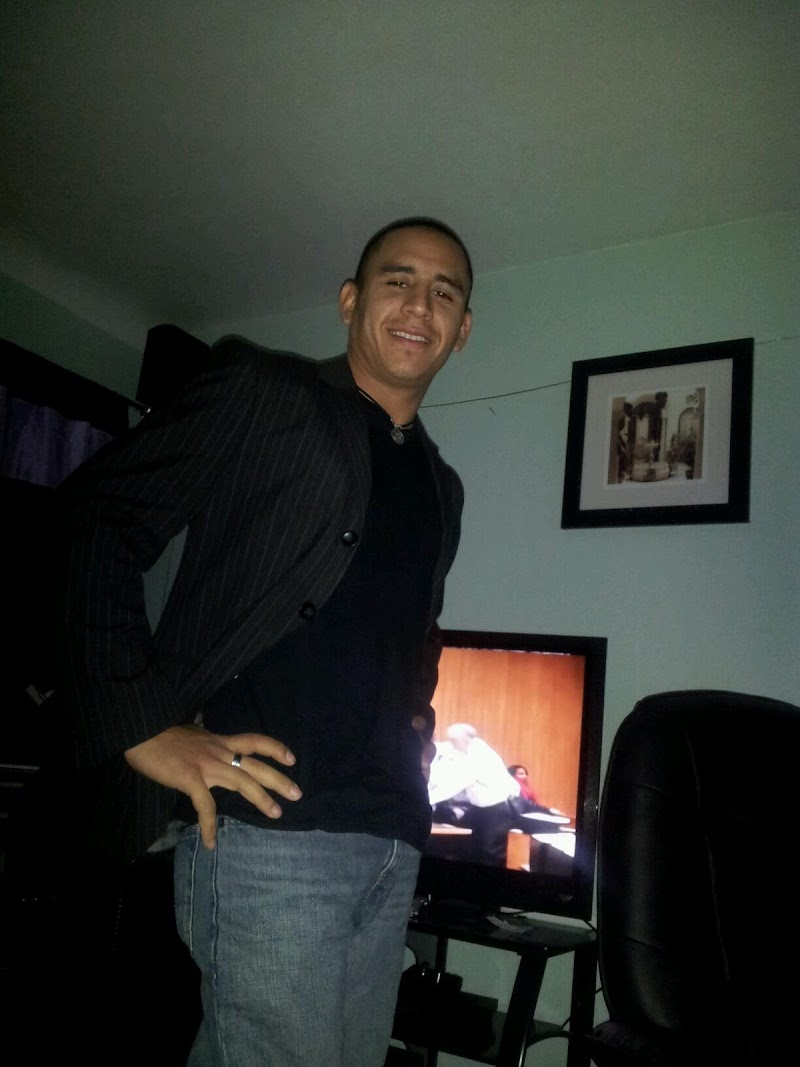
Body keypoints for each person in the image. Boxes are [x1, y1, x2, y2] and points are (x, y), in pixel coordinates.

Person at [52, 216, 474, 1067]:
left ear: (461, 330)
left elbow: (411, 637)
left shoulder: (443, 487)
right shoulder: (263, 393)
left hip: (389, 844)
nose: (418, 304)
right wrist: (141, 721)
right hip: (270, 836)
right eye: (397, 280)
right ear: (350, 301)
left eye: (443, 292)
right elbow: (95, 519)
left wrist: (416, 732)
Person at [427, 723, 520, 866]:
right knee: (467, 844)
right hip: (480, 809)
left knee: (488, 850)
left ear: (466, 739)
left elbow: (454, 785)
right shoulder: (465, 749)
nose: (450, 743)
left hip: (496, 809)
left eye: (453, 740)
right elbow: (444, 772)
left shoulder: (479, 754)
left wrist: (427, 800)